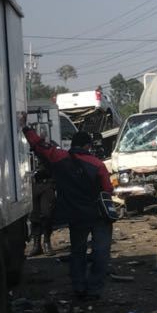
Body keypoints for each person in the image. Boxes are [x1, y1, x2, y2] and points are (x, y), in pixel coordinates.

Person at [23, 128, 115, 299]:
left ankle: (79, 287)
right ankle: (94, 289)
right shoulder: (97, 164)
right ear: (88, 146)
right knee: (101, 252)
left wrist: (26, 128)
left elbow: (38, 146)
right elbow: (108, 190)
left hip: (76, 216)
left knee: (77, 252)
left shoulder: (59, 158)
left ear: (72, 145)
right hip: (98, 215)